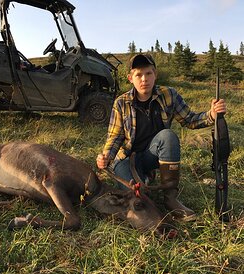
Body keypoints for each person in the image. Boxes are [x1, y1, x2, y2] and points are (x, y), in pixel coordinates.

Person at [96, 53, 227, 221]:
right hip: (127, 159)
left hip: (152, 155)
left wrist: (212, 114)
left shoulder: (169, 95)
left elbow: (190, 120)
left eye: (148, 73)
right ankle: (145, 182)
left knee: (168, 136)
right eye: (139, 75)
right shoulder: (121, 103)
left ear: (155, 74)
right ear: (130, 78)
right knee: (135, 196)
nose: (144, 79)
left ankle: (170, 199)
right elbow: (114, 136)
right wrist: (106, 156)